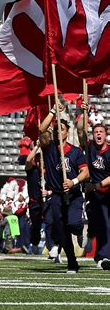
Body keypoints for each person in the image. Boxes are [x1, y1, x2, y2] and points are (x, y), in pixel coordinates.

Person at [39, 101, 89, 273]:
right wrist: (53, 110)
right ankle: (72, 262)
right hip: (57, 196)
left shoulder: (75, 152)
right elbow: (41, 130)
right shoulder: (49, 148)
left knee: (74, 224)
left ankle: (80, 230)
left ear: (67, 132)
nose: (58, 131)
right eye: (56, 128)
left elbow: (85, 172)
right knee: (62, 230)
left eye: (62, 128)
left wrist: (73, 181)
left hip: (73, 194)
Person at [76, 106, 110, 270]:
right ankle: (98, 249)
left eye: (101, 132)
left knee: (107, 225)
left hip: (106, 193)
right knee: (98, 224)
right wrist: (84, 114)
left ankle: (104, 256)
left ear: (106, 134)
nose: (98, 134)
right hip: (93, 195)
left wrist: (98, 184)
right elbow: (81, 131)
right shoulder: (89, 148)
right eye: (96, 132)